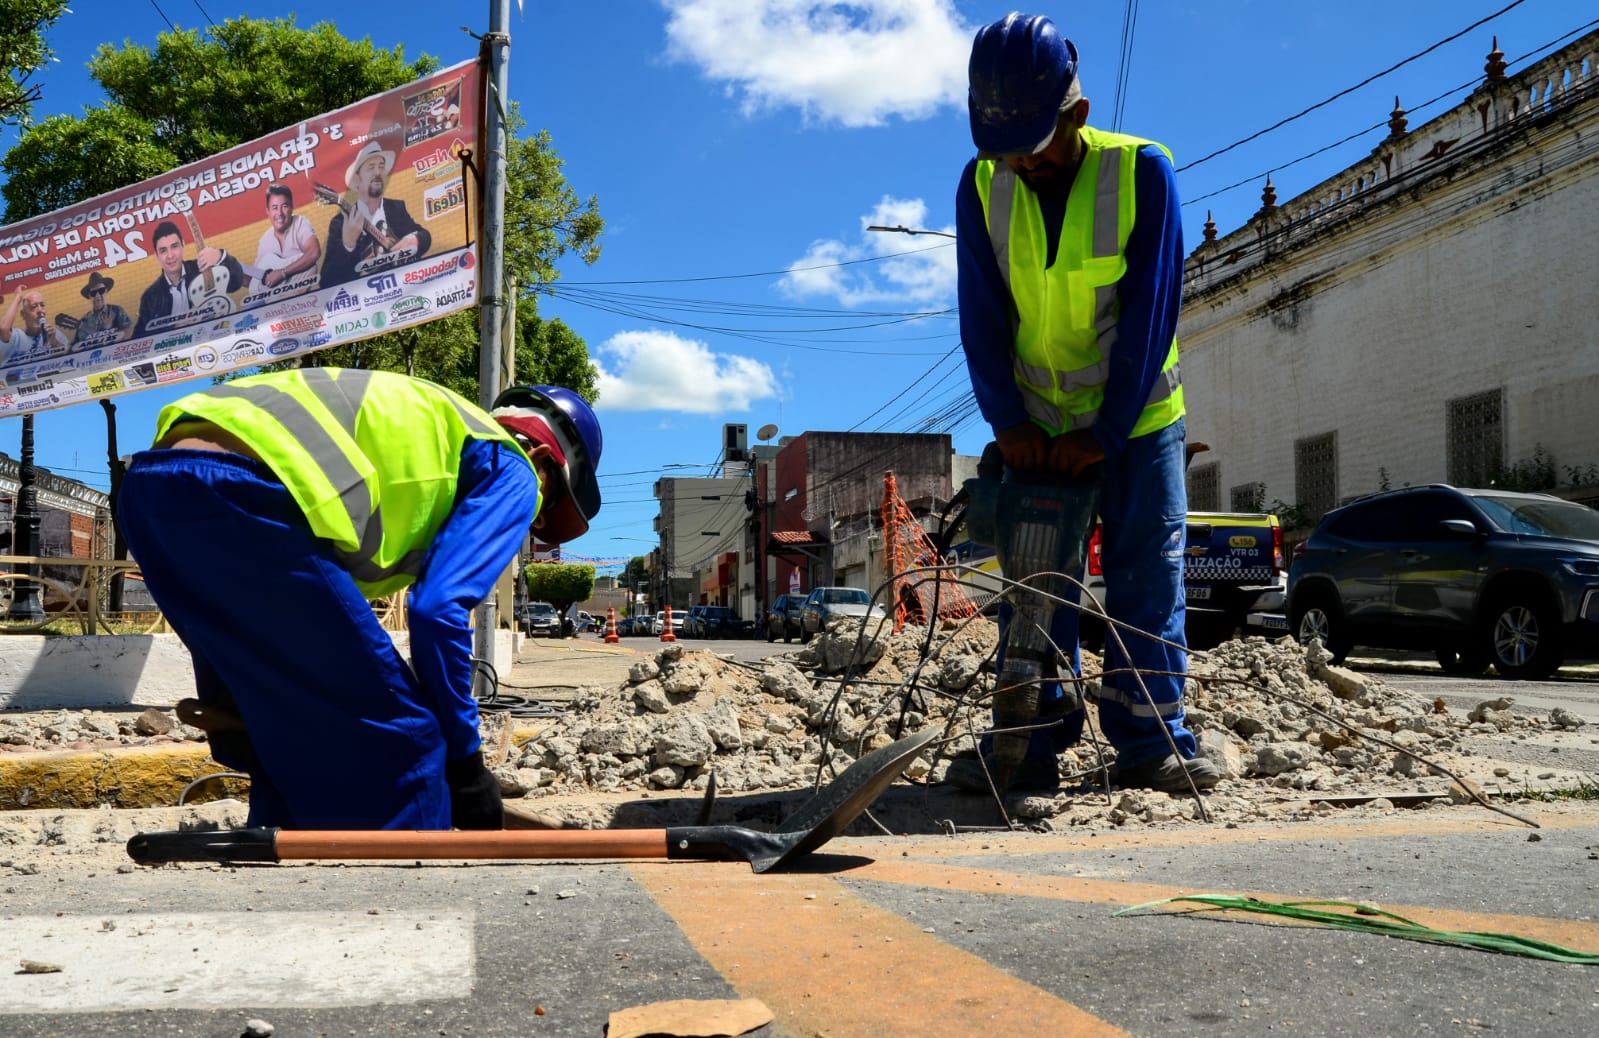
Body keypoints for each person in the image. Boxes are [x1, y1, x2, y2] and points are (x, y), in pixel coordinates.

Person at [116, 370, 604, 830]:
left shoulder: (440, 426)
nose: (531, 523)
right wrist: (465, 766)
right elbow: (437, 610)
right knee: (409, 738)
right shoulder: (513, 465)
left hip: (151, 490)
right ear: (544, 459)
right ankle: (413, 896)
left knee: (285, 722)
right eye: (545, 508)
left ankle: (289, 852)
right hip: (243, 492)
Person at [948, 13, 1218, 794]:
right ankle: (1028, 743)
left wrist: (1102, 430)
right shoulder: (981, 184)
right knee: (1034, 585)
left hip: (1134, 424)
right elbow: (982, 314)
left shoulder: (1142, 173)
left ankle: (1151, 742)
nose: (1019, 167)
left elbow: (1149, 313)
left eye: (1033, 146)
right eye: (1003, 151)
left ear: (1077, 114)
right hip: (1034, 424)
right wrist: (1009, 421)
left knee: (1144, 582)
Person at [318, 139, 431, 288]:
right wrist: (348, 244)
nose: (378, 172)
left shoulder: (396, 207)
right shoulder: (340, 223)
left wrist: (415, 239)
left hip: (408, 285)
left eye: (381, 167)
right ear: (357, 179)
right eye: (371, 167)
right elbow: (327, 281)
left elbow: (424, 235)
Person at [133, 220, 245, 337]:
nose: (170, 255)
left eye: (174, 246)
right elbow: (140, 336)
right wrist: (174, 326)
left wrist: (220, 256)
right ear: (157, 255)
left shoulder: (202, 269)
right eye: (163, 250)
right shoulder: (150, 296)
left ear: (183, 245)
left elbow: (236, 282)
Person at [248, 184, 322, 294]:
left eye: (284, 206)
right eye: (274, 208)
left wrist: (283, 273)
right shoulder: (265, 241)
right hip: (276, 302)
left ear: (292, 208)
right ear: (267, 211)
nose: (279, 213)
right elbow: (256, 279)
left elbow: (313, 253)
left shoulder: (300, 223)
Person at [0, 286, 71, 365]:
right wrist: (18, 298)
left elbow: (67, 358)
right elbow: (3, 328)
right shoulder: (16, 337)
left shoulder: (55, 334)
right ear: (23, 314)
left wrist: (54, 342)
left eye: (42, 305)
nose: (40, 310)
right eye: (34, 307)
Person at [71, 271, 133, 347]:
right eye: (93, 293)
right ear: (89, 296)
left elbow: (129, 331)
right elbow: (76, 346)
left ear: (106, 291)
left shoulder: (117, 311)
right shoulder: (84, 320)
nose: (97, 295)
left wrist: (108, 331)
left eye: (101, 291)